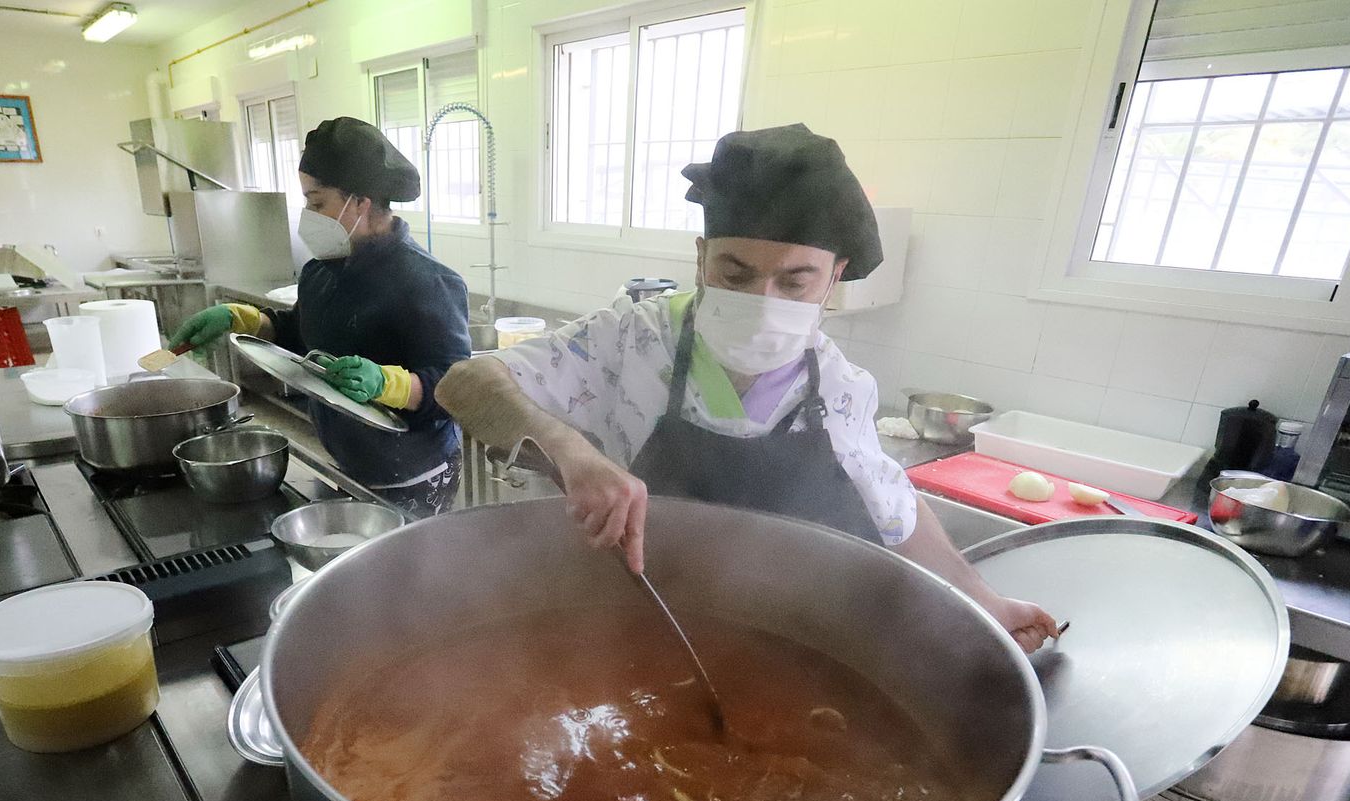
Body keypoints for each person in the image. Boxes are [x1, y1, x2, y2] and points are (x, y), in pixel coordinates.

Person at [436, 124, 1058, 652]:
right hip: (627, 625)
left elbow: (895, 512)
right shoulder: (630, 339)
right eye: (735, 274)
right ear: (702, 256)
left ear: (834, 277)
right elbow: (464, 383)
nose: (762, 304)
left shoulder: (840, 388)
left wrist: (986, 604)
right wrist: (570, 450)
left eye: (794, 283)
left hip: (787, 638)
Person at [170, 117, 469, 516]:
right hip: (350, 458)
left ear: (360, 201)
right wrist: (242, 319)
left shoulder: (428, 281)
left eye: (316, 202)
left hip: (412, 471)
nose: (307, 215)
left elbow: (458, 389)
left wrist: (389, 384)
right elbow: (303, 334)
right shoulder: (322, 269)